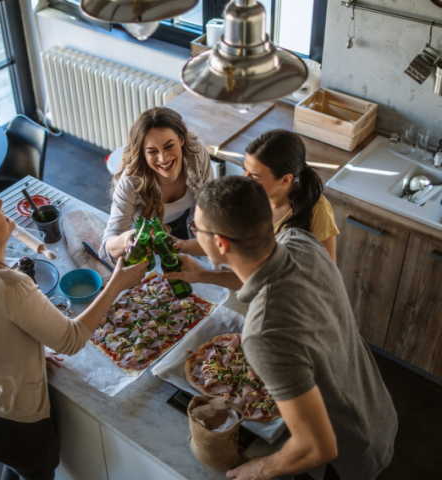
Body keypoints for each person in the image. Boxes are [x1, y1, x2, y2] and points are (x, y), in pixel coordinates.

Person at [166, 177, 397, 480]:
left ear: (220, 244)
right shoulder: (300, 240)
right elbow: (258, 275)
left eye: (197, 231)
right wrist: (204, 276)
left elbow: (318, 447)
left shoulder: (263, 334)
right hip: (377, 408)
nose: (194, 235)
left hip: (347, 452)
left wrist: (257, 468)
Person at [0, 192, 147, 480]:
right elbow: (72, 340)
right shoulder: (10, 285)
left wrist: (30, 354)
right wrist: (116, 284)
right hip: (15, 427)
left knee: (18, 470)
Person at [176, 129, 339, 263]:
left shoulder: (317, 210)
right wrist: (178, 245)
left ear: (285, 180)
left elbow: (327, 272)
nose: (244, 179)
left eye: (254, 176)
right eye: (244, 168)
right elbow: (221, 244)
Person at [99, 106, 214, 262]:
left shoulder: (197, 155)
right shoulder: (130, 181)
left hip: (190, 225)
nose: (163, 158)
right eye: (152, 151)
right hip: (147, 242)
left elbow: (211, 209)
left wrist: (186, 244)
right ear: (142, 154)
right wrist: (125, 240)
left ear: (181, 139)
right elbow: (106, 248)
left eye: (169, 146)